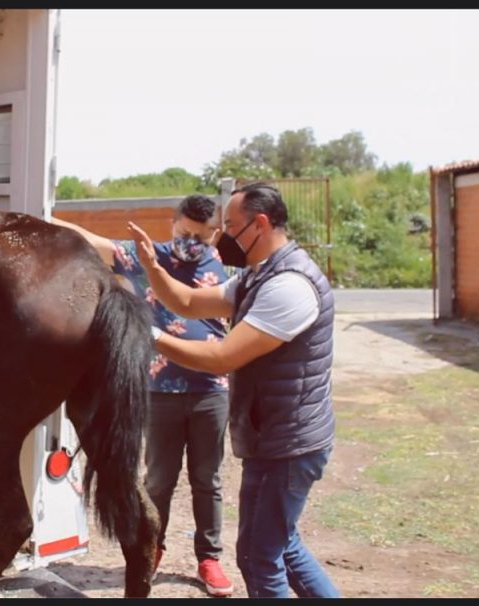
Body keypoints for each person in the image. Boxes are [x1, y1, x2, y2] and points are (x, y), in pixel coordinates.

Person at [127, 182, 339, 598]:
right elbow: (188, 301)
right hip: (272, 439)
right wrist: (152, 267)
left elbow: (223, 356)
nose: (222, 237)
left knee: (261, 560)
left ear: (260, 225)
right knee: (281, 546)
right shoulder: (258, 276)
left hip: (291, 444)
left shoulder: (289, 286)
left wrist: (148, 335)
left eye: (231, 226)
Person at [52, 194, 235, 597]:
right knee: (159, 479)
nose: (191, 242)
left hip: (211, 390)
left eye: (200, 237)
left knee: (208, 480)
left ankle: (209, 558)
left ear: (214, 235)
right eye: (185, 233)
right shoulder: (147, 257)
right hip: (161, 390)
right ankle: (152, 547)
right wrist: (47, 216)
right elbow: (93, 241)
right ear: (173, 225)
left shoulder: (224, 267)